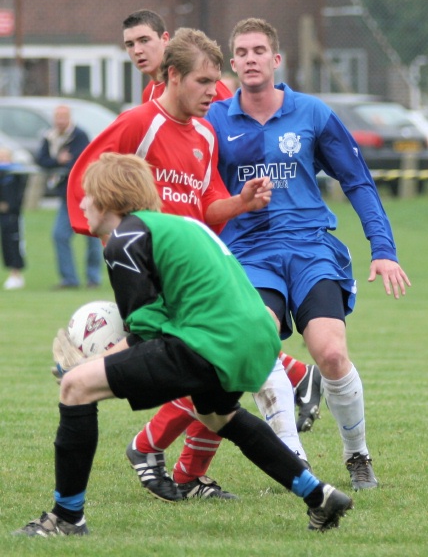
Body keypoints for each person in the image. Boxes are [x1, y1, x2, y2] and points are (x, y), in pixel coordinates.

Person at [13, 152, 353, 537]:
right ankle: (319, 495)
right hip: (255, 340)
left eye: (87, 195)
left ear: (108, 197)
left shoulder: (123, 240)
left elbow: (145, 332)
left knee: (76, 388)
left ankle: (66, 518)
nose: (83, 203)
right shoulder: (176, 227)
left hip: (211, 340)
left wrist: (85, 367)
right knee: (218, 417)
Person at [69, 21, 320, 500]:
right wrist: (110, 238)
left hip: (193, 274)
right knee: (232, 369)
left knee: (218, 383)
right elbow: (86, 176)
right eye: (205, 82)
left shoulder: (205, 134)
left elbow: (207, 207)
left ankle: (179, 465)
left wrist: (242, 202)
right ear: (173, 77)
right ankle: (295, 435)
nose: (216, 92)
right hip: (156, 273)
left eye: (216, 81)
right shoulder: (139, 123)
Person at [206, 17, 412, 491]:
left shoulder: (312, 113)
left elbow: (357, 180)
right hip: (250, 254)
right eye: (243, 52)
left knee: (331, 354)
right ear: (232, 63)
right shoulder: (215, 121)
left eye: (260, 50)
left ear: (276, 60)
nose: (252, 58)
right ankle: (296, 463)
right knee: (259, 350)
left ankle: (357, 455)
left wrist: (383, 249)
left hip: (310, 248)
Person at [35, 105, 103, 289]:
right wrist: (58, 160)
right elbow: (40, 160)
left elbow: (78, 161)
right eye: (57, 117)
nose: (60, 121)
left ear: (69, 118)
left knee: (93, 236)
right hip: (66, 197)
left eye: (64, 117)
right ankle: (70, 279)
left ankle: (93, 278)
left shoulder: (79, 135)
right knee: (59, 235)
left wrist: (60, 163)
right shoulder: (49, 137)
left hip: (86, 195)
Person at [0, 147, 27, 290]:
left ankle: (16, 274)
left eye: (4, 157)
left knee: (14, 243)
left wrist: (9, 205)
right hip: (3, 216)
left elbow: (17, 197)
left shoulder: (16, 173)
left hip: (12, 215)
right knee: (5, 245)